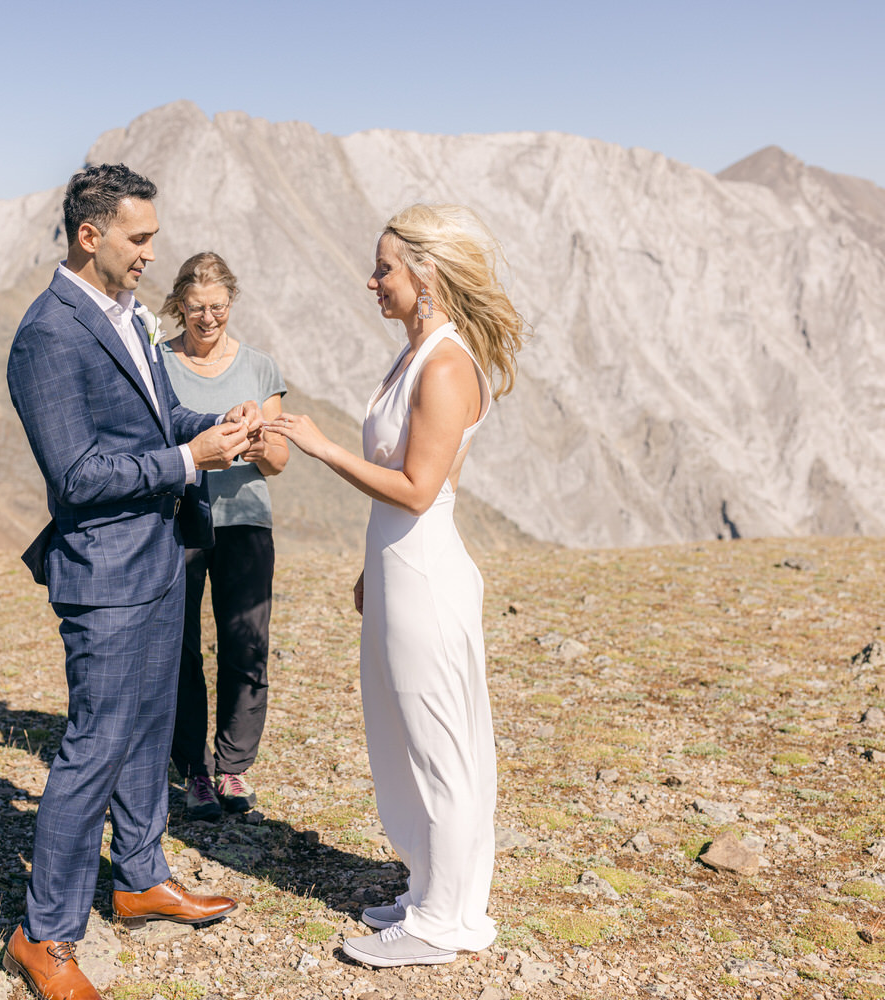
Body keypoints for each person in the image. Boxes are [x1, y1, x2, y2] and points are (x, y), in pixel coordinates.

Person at [4, 164, 263, 1000]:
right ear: (91, 236)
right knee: (93, 749)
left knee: (152, 731)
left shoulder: (125, 317)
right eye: (140, 238)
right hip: (105, 577)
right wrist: (191, 460)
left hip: (158, 559)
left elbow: (151, 419)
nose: (153, 253)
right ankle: (43, 935)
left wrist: (212, 425)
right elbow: (77, 474)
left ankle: (141, 876)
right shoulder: (48, 334)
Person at [267, 204, 525, 969]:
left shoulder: (445, 363)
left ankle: (447, 919)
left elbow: (418, 488)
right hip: (398, 569)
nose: (372, 280)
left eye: (384, 268)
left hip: (426, 573)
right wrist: (369, 567)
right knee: (403, 735)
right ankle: (429, 889)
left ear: (427, 276)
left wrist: (319, 447)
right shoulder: (417, 354)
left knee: (441, 743)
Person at [157, 252, 288, 821]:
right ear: (178, 306)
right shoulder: (156, 363)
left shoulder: (260, 368)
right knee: (180, 648)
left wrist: (256, 442)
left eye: (217, 307)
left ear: (231, 303)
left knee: (245, 646)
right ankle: (193, 770)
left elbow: (279, 458)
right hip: (178, 525)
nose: (207, 318)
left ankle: (233, 767)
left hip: (245, 523)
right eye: (195, 308)